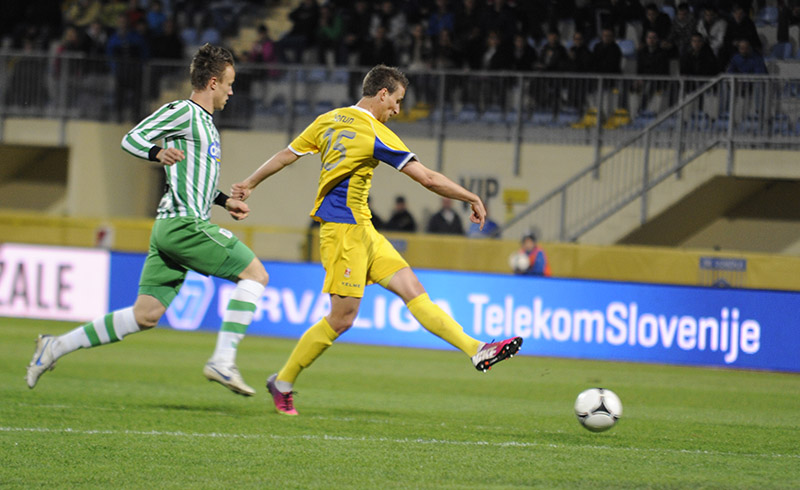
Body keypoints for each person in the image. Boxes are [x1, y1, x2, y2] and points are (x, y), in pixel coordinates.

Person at [232, 65, 522, 415]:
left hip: (364, 230)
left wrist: (249, 183)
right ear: (382, 94)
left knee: (414, 290)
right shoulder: (373, 131)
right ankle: (282, 382)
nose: (397, 110)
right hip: (343, 232)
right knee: (342, 319)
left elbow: (285, 155)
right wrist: (471, 197)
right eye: (397, 101)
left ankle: (477, 349)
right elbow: (427, 178)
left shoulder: (329, 119)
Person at [25, 44, 270, 398]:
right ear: (213, 82)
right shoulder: (184, 111)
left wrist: (223, 200)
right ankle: (223, 360)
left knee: (146, 315)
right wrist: (157, 152)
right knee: (256, 275)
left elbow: (193, 179)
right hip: (184, 225)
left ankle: (55, 346)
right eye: (229, 84)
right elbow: (131, 139)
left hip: (171, 228)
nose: (232, 92)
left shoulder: (205, 124)